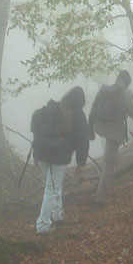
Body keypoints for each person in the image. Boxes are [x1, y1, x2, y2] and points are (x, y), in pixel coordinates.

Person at [32, 86, 89, 235]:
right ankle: (43, 225)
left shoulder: (54, 110)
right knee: (51, 188)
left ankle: (58, 215)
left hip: (42, 153)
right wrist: (81, 163)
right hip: (58, 155)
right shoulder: (77, 114)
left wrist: (35, 156)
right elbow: (83, 140)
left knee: (53, 186)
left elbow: (38, 132)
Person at [88, 69, 133, 206]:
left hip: (101, 127)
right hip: (114, 132)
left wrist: (90, 128)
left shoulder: (105, 90)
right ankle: (101, 196)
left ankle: (103, 186)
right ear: (128, 83)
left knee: (108, 160)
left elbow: (93, 109)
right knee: (109, 163)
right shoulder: (126, 93)